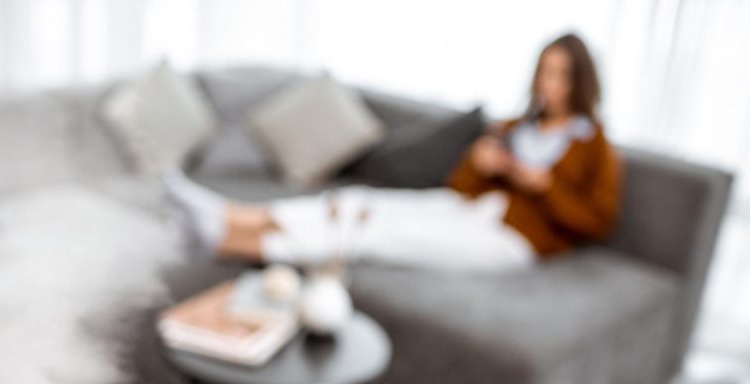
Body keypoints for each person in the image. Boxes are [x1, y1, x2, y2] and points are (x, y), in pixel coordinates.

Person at [165, 33, 621, 273]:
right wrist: (480, 164)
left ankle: (224, 238)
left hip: (513, 240)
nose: (548, 84)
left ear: (579, 80)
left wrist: (544, 186)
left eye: (560, 75)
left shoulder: (592, 142)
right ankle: (229, 215)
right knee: (359, 204)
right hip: (468, 207)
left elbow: (595, 222)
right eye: (544, 72)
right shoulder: (513, 127)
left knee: (373, 237)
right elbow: (460, 186)